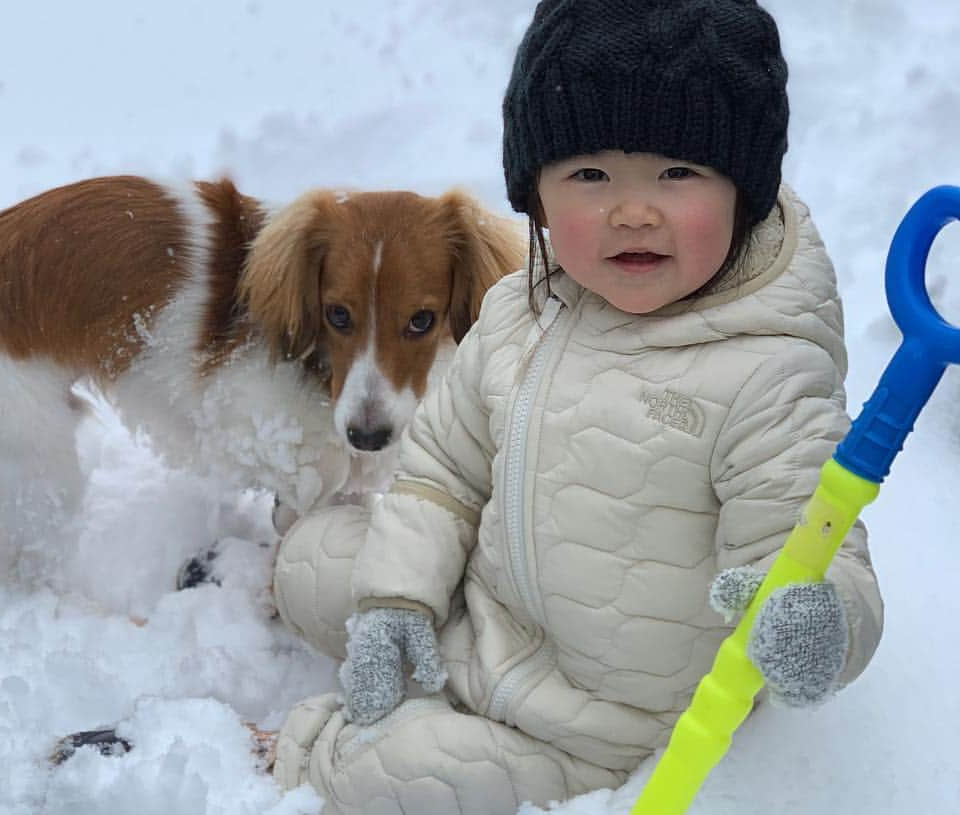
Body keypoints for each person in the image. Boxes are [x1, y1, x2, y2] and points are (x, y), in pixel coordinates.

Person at [269, 1, 884, 812]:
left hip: (597, 723)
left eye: (677, 172)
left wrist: (816, 619)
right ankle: (410, 670)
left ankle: (312, 749)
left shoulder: (764, 369)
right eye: (590, 176)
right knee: (309, 558)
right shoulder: (524, 313)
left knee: (403, 777)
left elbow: (813, 545)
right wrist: (398, 602)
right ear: (537, 195)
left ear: (747, 189)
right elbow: (442, 474)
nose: (632, 210)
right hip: (484, 615)